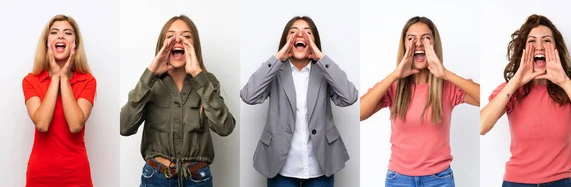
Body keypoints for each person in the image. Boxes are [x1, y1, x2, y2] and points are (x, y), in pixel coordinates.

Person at [480, 14, 571, 187]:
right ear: (523, 50)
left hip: (559, 182)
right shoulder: (512, 89)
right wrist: (516, 81)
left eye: (546, 41)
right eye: (532, 41)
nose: (539, 47)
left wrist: (564, 81)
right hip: (516, 182)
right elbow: (482, 126)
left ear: (556, 49)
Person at [360, 16, 480, 187]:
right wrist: (395, 75)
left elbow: (491, 100)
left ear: (434, 44)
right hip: (398, 179)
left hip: (439, 179)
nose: (418, 43)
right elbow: (358, 113)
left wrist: (445, 73)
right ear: (404, 45)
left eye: (425, 38)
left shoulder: (447, 86)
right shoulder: (393, 87)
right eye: (411, 38)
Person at [240, 16, 358, 187]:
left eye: (307, 33)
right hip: (280, 166)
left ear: (314, 42)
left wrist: (322, 58)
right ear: (286, 41)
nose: (300, 36)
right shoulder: (274, 71)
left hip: (321, 165)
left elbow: (349, 97)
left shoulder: (325, 71)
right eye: (293, 32)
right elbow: (248, 95)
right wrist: (277, 58)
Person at [120, 15, 236, 187]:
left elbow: (225, 127)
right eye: (171, 36)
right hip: (155, 178)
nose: (178, 40)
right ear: (162, 45)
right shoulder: (150, 83)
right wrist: (150, 73)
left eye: (186, 36)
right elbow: (125, 126)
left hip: (198, 179)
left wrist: (198, 75)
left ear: (194, 44)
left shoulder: (208, 81)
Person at [22, 14, 97, 187]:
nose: (61, 36)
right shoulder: (31, 81)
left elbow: (75, 125)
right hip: (39, 175)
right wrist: (55, 77)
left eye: (68, 33)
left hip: (77, 175)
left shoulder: (87, 81)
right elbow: (41, 123)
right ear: (47, 42)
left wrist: (64, 78)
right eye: (54, 32)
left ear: (75, 44)